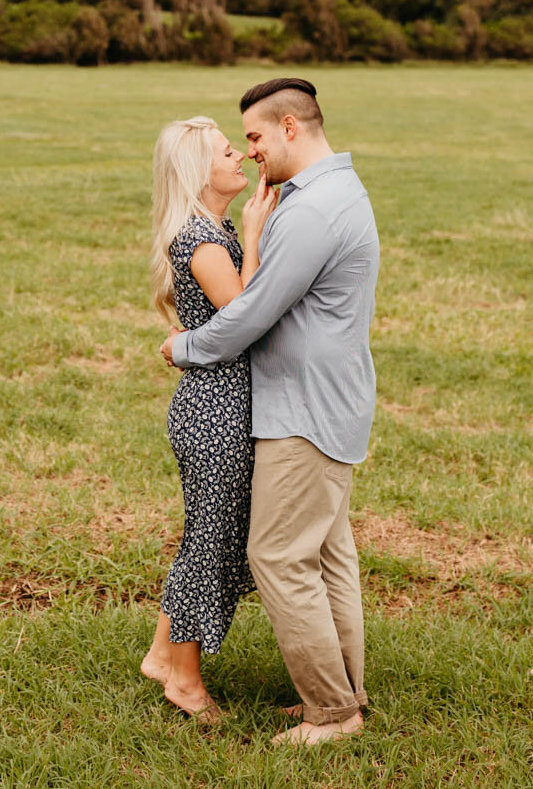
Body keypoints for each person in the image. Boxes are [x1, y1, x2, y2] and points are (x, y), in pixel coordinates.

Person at [159, 77, 380, 747]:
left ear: (290, 126)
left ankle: (333, 712)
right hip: (326, 403)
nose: (251, 150)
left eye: (253, 135)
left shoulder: (312, 210)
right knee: (327, 556)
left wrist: (184, 346)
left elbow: (250, 314)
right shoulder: (334, 193)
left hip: (303, 411)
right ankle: (345, 693)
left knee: (279, 556)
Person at [139, 117, 279, 723]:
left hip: (222, 405)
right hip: (214, 412)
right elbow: (246, 313)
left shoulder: (209, 228)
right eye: (228, 152)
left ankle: (159, 654)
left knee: (208, 534)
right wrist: (254, 233)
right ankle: (186, 681)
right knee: (212, 541)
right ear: (200, 170)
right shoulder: (203, 238)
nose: (240, 159)